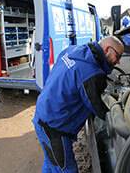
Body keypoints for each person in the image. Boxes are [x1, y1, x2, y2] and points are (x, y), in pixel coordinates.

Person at [33, 36, 124, 173]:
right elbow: (98, 108)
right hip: (54, 129)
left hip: (43, 114)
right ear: (107, 50)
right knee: (66, 169)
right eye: (117, 56)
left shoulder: (74, 50)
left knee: (52, 162)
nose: (118, 61)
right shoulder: (91, 73)